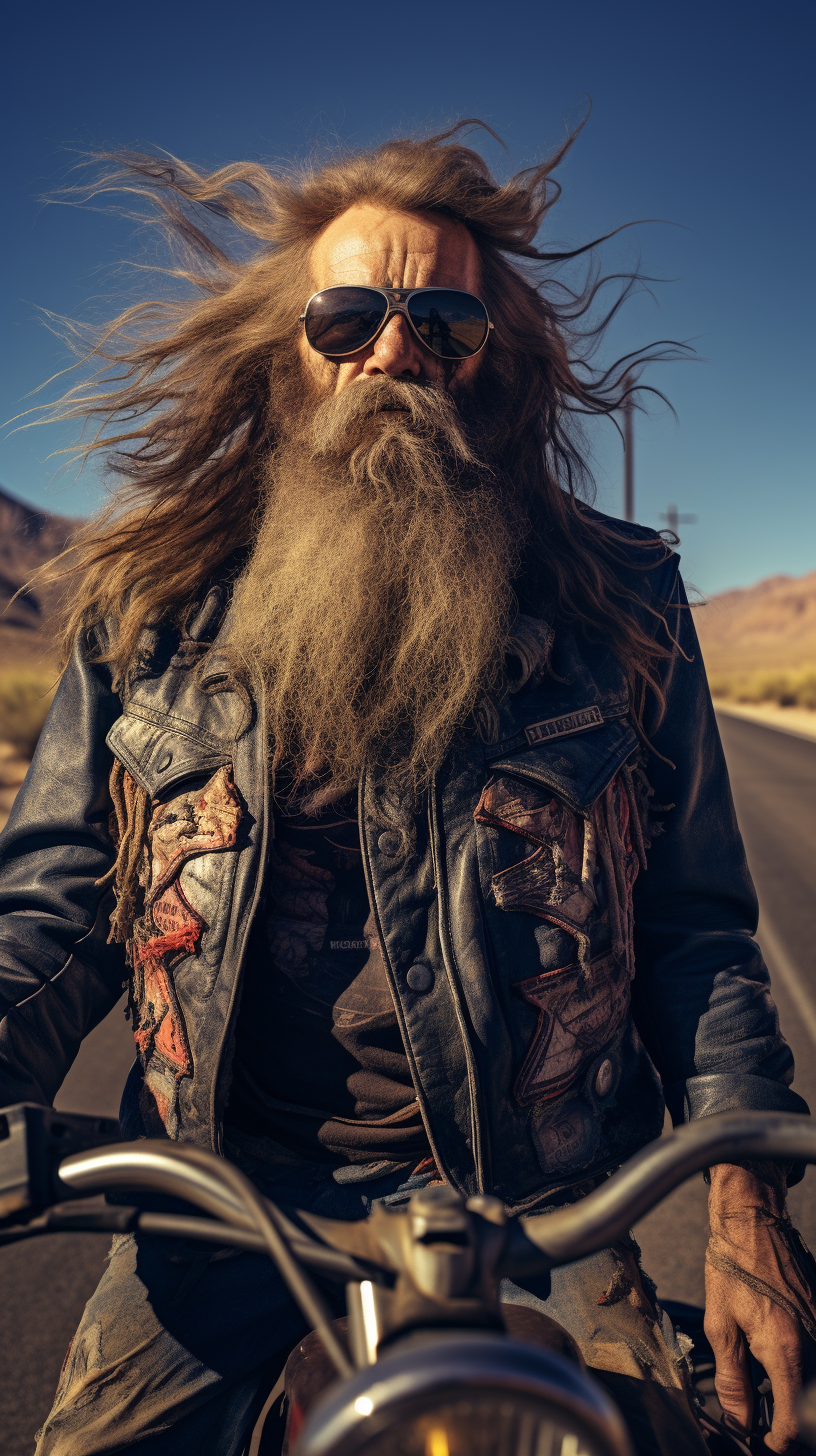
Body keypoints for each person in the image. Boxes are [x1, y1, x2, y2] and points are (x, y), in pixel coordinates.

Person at [0, 126, 813, 1456]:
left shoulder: (618, 601)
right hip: (219, 1199)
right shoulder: (148, 605)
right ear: (291, 347)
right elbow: (55, 909)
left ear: (493, 360)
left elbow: (695, 927)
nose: (396, 352)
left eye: (443, 320)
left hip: (543, 1204)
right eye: (351, 316)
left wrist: (745, 1204)